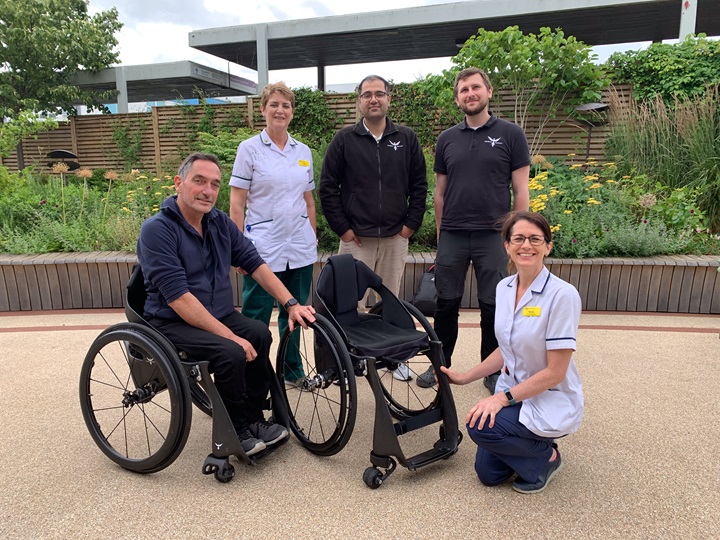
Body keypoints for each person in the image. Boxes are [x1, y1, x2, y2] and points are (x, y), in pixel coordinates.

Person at [136, 152, 316, 457]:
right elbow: (179, 298)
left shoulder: (219, 223)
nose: (208, 190)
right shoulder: (157, 230)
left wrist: (291, 303)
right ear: (179, 183)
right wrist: (230, 336)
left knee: (259, 333)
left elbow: (256, 264)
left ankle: (254, 417)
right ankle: (235, 428)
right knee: (231, 350)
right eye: (199, 181)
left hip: (214, 313)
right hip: (171, 321)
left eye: (215, 184)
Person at [441, 211, 583, 494]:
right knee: (489, 475)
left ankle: (548, 458)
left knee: (480, 427)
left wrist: (500, 399)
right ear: (506, 245)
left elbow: (555, 373)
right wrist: (465, 376)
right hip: (515, 393)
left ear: (548, 246)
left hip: (547, 396)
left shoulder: (562, 295)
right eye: (518, 238)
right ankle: (533, 444)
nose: (526, 245)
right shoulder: (504, 288)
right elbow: (506, 349)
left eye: (535, 239)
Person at [417, 67, 530, 391]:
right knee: (445, 303)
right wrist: (441, 234)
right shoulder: (447, 139)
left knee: (493, 306)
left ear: (489, 92)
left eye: (475, 87)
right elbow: (439, 193)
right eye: (464, 90)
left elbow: (521, 190)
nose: (470, 93)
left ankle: (491, 370)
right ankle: (441, 366)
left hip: (493, 236)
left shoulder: (511, 134)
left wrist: (518, 235)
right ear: (458, 98)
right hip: (453, 234)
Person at [320, 74, 428, 381]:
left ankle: (394, 360)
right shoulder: (344, 140)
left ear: (389, 99)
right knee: (347, 304)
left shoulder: (406, 138)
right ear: (359, 101)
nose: (373, 99)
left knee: (390, 301)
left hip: (396, 237)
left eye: (379, 94)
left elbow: (420, 185)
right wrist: (342, 229)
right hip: (356, 240)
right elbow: (327, 187)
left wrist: (410, 226)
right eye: (367, 94)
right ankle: (346, 361)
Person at [229, 82, 316, 386]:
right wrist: (236, 247)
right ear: (263, 109)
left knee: (295, 312)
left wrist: (313, 236)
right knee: (255, 316)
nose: (280, 110)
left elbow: (308, 199)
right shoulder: (249, 149)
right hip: (262, 248)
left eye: (286, 105)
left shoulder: (302, 152)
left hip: (300, 247)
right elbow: (237, 202)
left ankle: (292, 371)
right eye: (274, 105)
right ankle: (255, 375)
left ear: (292, 112)